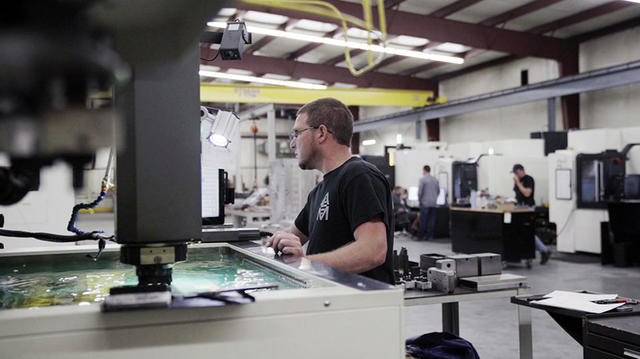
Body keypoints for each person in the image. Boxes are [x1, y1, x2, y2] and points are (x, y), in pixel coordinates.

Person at [265, 98, 394, 284]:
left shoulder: (358, 175)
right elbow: (293, 235)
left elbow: (373, 251)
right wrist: (275, 242)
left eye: (297, 134)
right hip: (330, 303)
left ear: (321, 133)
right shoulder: (319, 191)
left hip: (359, 307)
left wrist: (305, 263)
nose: (292, 144)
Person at [512, 163, 551, 265]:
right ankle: (540, 251)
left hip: (528, 209)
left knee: (528, 232)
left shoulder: (528, 179)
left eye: (516, 173)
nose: (515, 176)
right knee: (522, 232)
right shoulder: (518, 181)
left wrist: (518, 184)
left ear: (521, 171)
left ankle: (544, 250)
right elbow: (518, 195)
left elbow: (527, 193)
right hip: (519, 208)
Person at [417, 165, 439, 241]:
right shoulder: (435, 179)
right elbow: (438, 191)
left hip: (425, 203)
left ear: (424, 170)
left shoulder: (423, 179)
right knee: (431, 221)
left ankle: (420, 237)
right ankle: (429, 237)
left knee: (423, 220)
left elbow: (420, 192)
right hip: (434, 203)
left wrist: (420, 201)